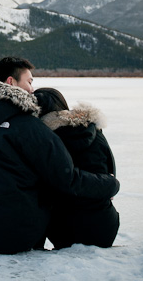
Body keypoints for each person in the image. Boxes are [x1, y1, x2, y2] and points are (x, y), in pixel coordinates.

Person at [0, 57, 120, 254]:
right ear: (11, 82)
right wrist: (110, 184)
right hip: (18, 234)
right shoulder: (26, 125)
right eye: (29, 82)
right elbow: (66, 178)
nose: (32, 90)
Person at [34, 87, 119, 249]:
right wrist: (112, 185)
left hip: (63, 232)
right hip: (104, 228)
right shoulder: (93, 129)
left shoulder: (45, 139)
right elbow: (110, 166)